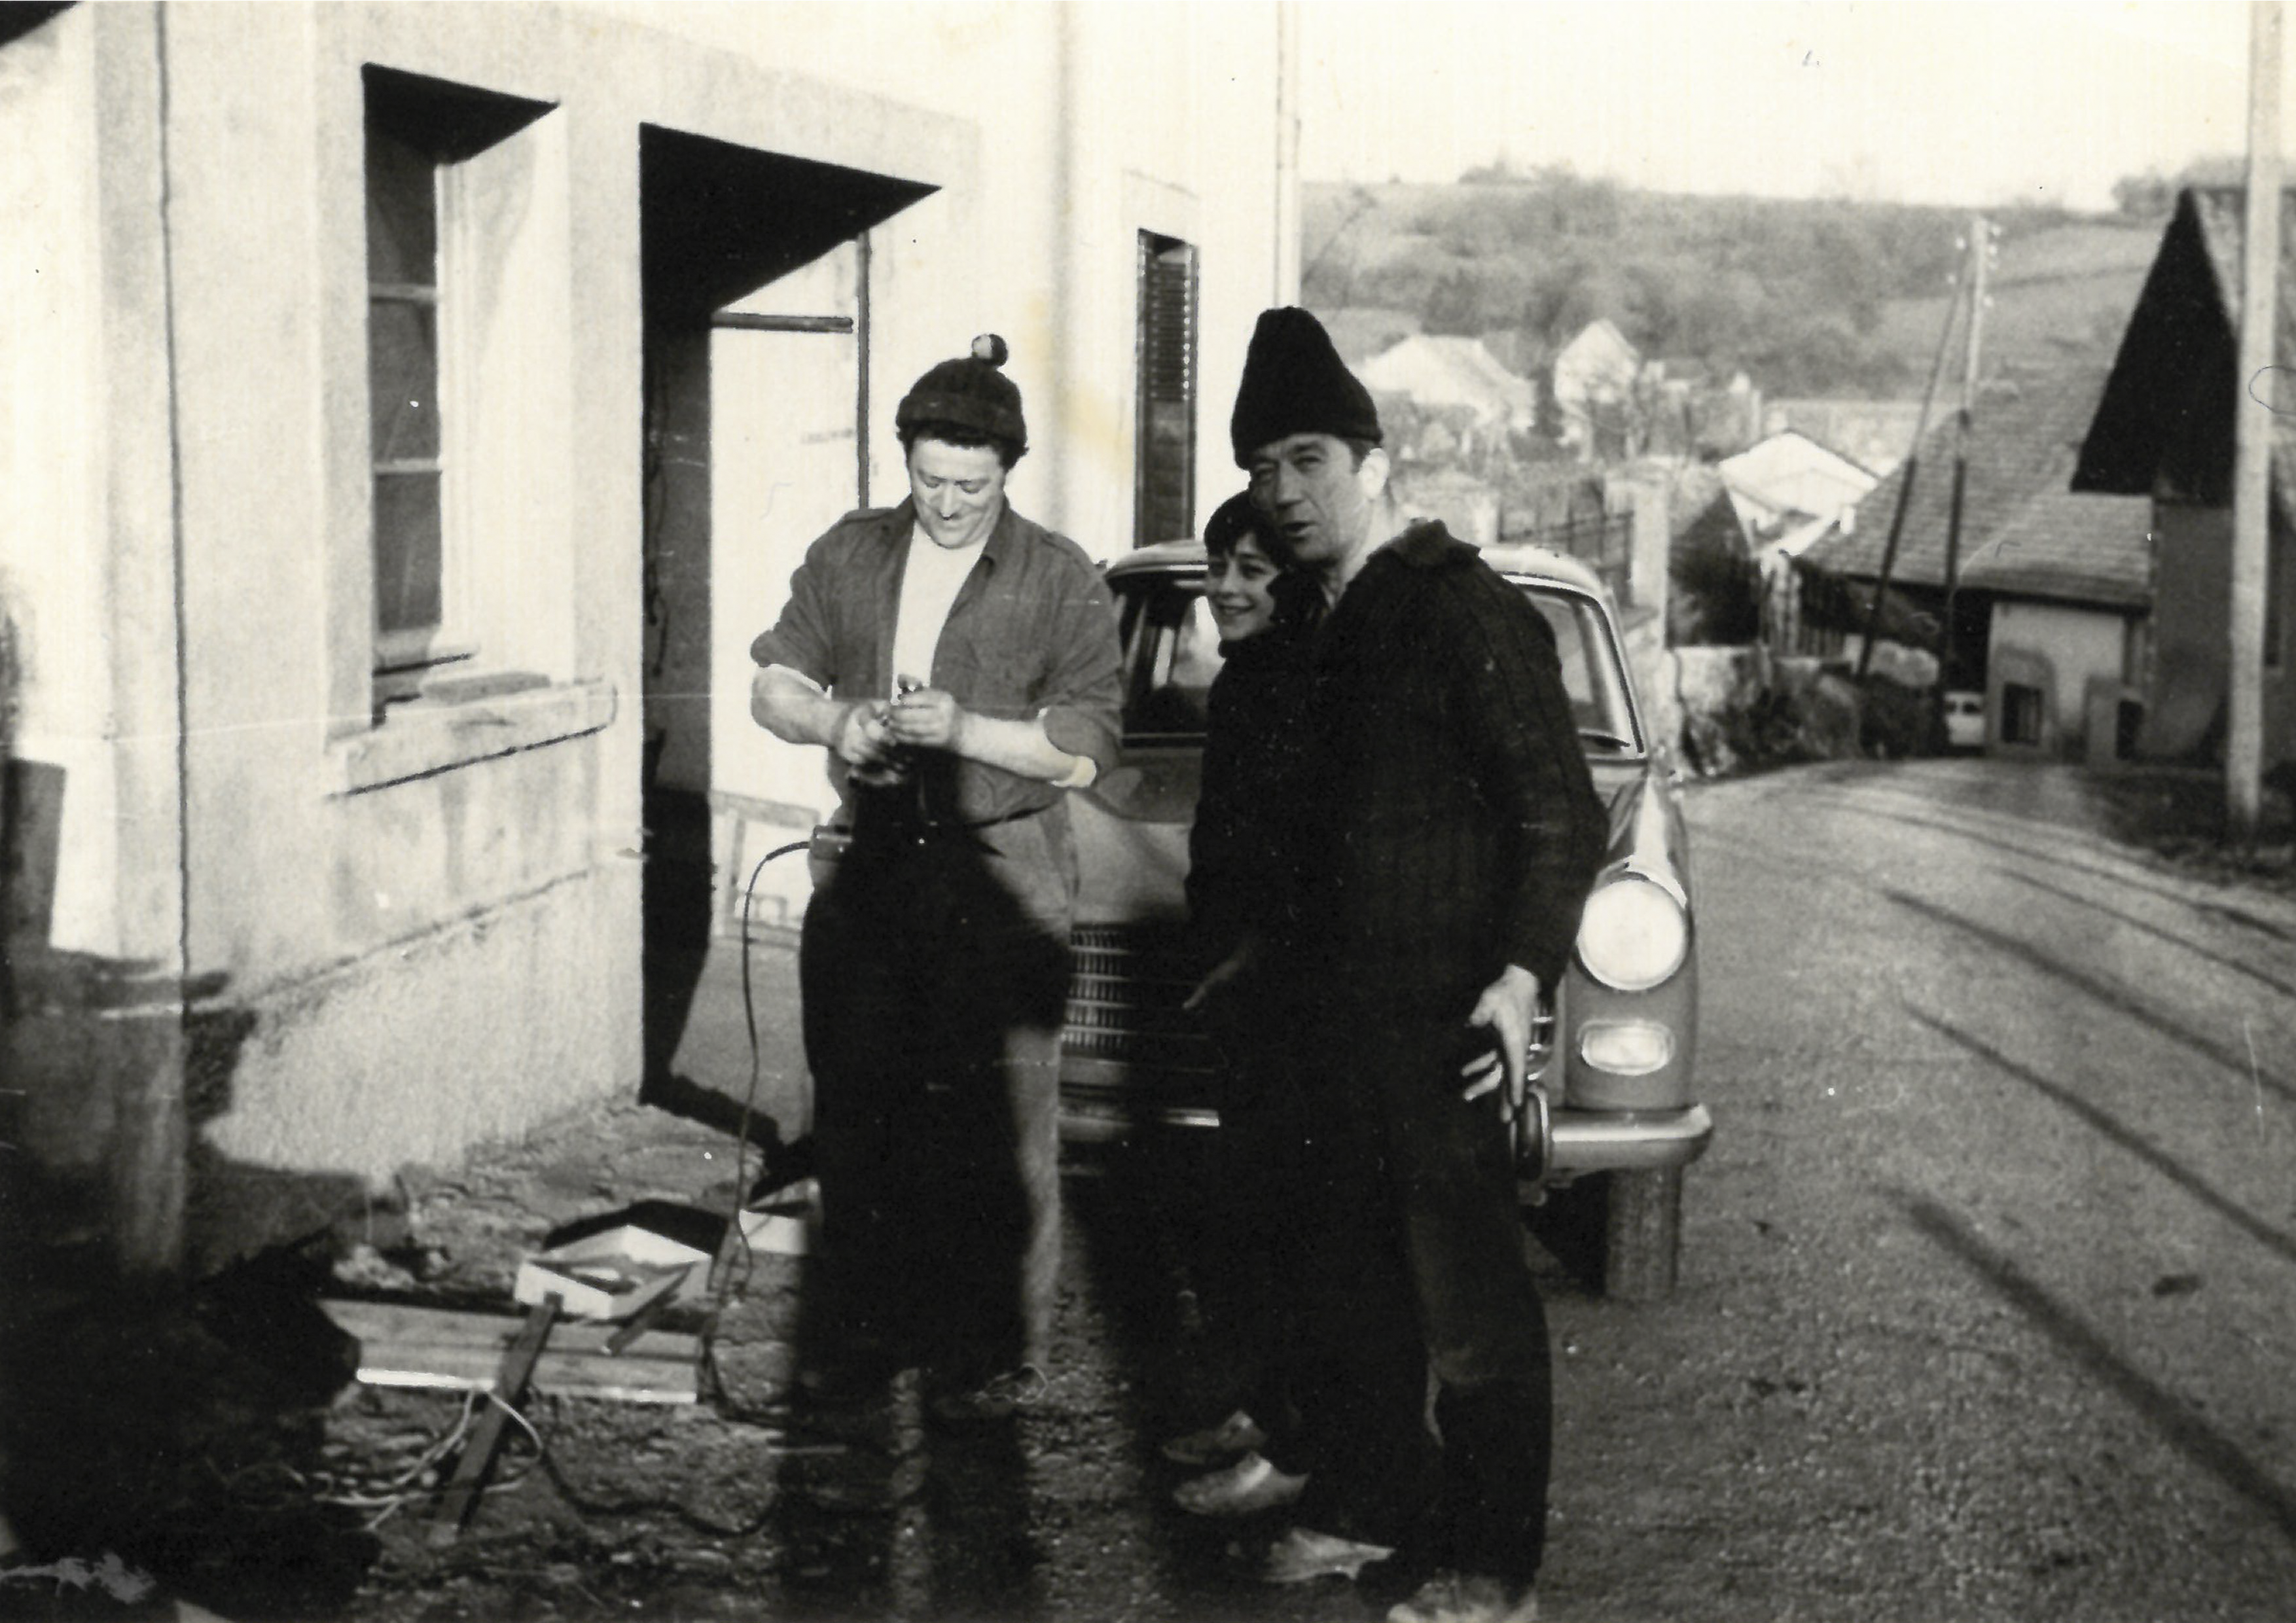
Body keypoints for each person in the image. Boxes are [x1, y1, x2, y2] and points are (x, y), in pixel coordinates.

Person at [1229, 308, 1608, 1623]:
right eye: (1263, 467)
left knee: (1466, 1307)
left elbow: (1561, 810)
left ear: (1373, 461)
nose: (1282, 493)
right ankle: (1365, 1504)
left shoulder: (1463, 611)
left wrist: (1517, 978)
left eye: (1308, 461)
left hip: (1446, 1023)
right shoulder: (1308, 636)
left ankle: (1492, 1567)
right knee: (1347, 1286)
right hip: (1328, 1032)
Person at [749, 334, 1124, 1425]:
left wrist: (966, 731)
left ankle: (991, 1354)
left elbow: (1091, 746)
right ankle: (865, 1342)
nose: (950, 504)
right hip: (871, 865)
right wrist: (835, 719)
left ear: (1009, 472)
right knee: (862, 1115)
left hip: (1003, 875)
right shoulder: (851, 553)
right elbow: (774, 683)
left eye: (973, 484)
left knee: (1000, 1127)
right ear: (903, 460)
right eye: (930, 481)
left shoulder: (1059, 576)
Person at [1163, 493, 1323, 1519]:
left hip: (1293, 999)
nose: (1224, 588)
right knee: (1254, 1224)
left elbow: (1312, 870)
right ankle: (1268, 1413)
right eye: (1219, 567)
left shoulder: (1308, 690)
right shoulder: (1247, 686)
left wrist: (1252, 959)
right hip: (1242, 991)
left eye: (1252, 572)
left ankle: (1298, 1450)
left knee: (1300, 1234)